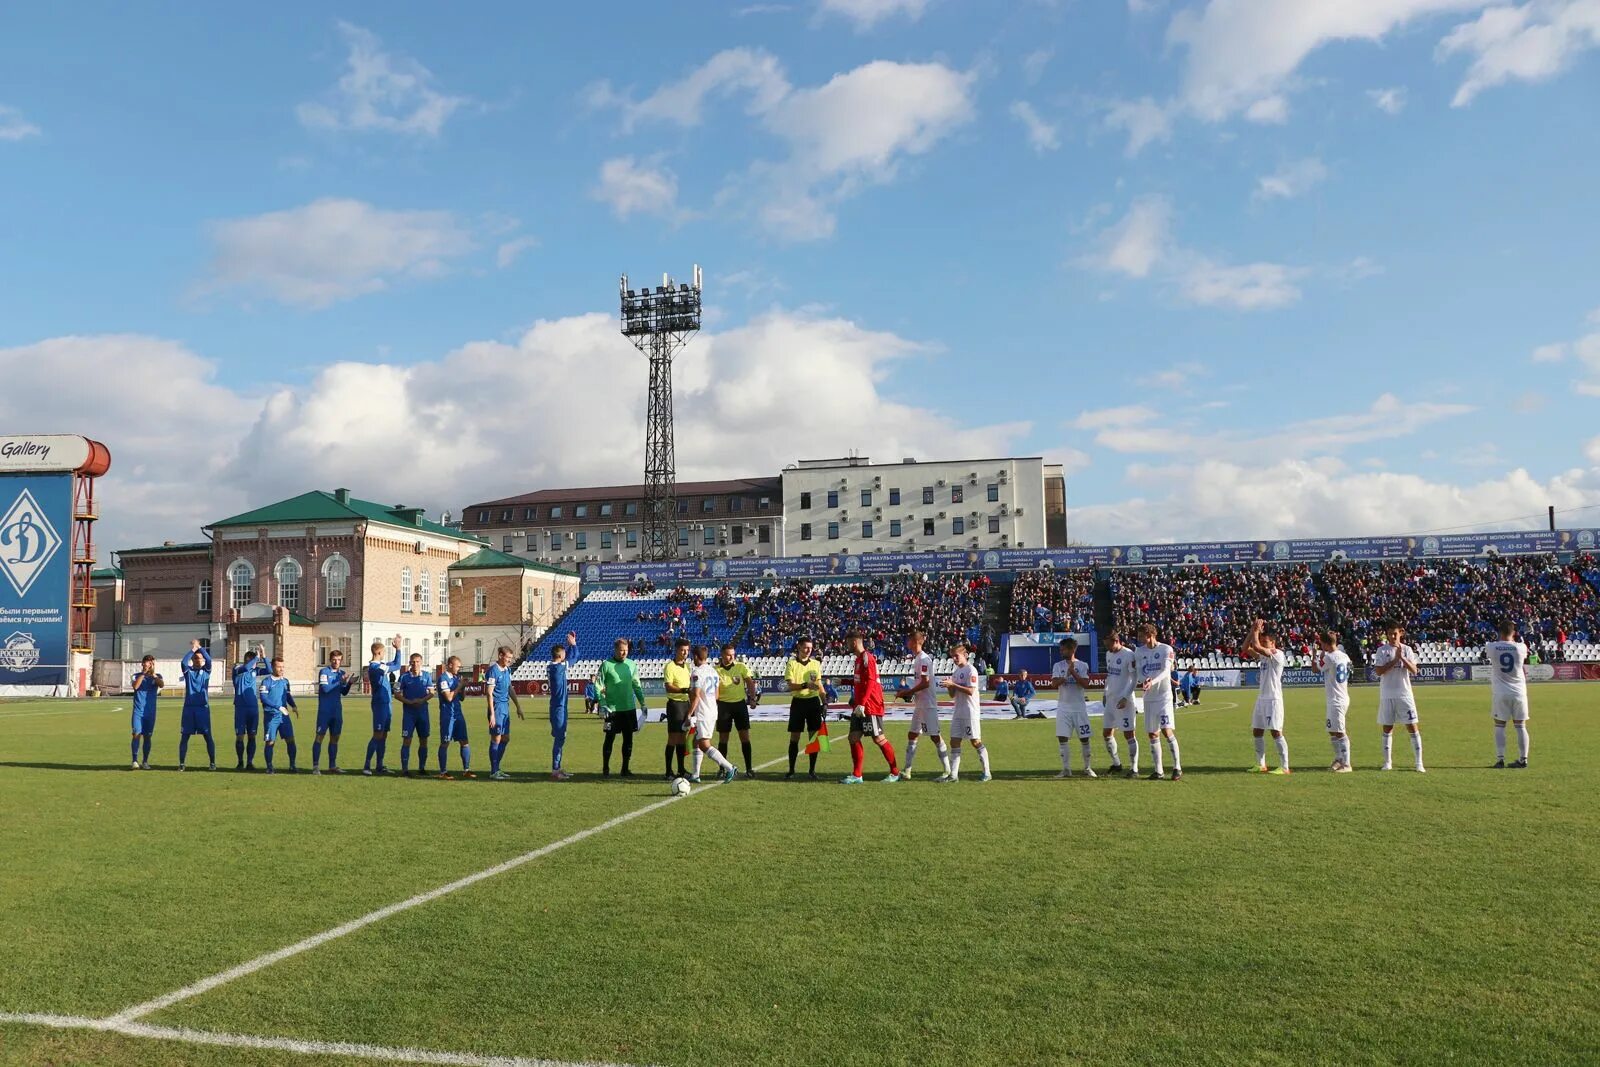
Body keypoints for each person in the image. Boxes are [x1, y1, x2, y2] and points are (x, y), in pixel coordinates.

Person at [842, 628, 901, 784]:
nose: (846, 645)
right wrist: (845, 682)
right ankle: (857, 775)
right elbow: (860, 681)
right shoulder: (858, 660)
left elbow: (871, 682)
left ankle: (895, 772)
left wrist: (862, 703)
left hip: (870, 706)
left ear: (854, 642)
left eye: (848, 642)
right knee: (853, 738)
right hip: (859, 706)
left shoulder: (868, 658)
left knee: (878, 738)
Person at [896, 630, 951, 782]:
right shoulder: (918, 659)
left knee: (935, 736)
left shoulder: (924, 659)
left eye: (909, 640)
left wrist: (909, 691)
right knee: (912, 734)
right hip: (920, 703)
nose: (907, 643)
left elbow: (926, 683)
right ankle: (907, 770)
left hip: (928, 704)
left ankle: (948, 770)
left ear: (915, 642)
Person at [1372, 621, 1424, 773]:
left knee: (1412, 726)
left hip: (1404, 694)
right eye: (1390, 634)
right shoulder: (1382, 651)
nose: (1393, 636)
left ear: (1401, 633)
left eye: (1395, 633)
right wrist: (1394, 660)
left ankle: (1419, 763)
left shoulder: (1407, 650)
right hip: (1387, 695)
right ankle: (1388, 762)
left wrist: (1402, 658)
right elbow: (1379, 671)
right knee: (1387, 728)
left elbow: (1414, 670)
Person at [1242, 619, 1291, 775]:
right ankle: (1261, 764)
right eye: (1262, 641)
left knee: (1276, 732)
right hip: (1262, 699)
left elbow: (1256, 646)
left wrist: (1256, 631)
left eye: (1266, 642)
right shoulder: (1264, 656)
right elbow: (1245, 648)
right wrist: (1252, 630)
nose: (1263, 644)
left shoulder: (1277, 654)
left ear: (1273, 643)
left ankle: (1284, 767)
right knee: (1257, 731)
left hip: (1273, 699)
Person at [1135, 623, 1182, 781]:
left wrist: (1152, 681)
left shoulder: (1166, 649)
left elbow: (1165, 672)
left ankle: (1177, 767)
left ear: (1150, 635)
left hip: (1163, 697)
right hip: (1149, 697)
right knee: (1152, 733)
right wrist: (1144, 680)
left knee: (1166, 731)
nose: (1139, 638)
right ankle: (1159, 770)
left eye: (1141, 635)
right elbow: (1140, 672)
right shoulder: (1139, 651)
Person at [595, 638, 646, 777]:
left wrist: (642, 703)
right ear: (615, 650)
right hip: (612, 710)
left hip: (629, 709)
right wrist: (603, 704)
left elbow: (636, 685)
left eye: (626, 650)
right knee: (609, 739)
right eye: (621, 650)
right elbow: (598, 686)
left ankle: (625, 769)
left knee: (628, 739)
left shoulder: (632, 664)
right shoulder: (606, 665)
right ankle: (605, 768)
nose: (624, 653)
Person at [686, 644, 737, 783]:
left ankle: (729, 767)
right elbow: (716, 695)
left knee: (704, 744)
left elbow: (696, 696)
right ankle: (695, 775)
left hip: (703, 712)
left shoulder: (697, 673)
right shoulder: (713, 671)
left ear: (695, 656)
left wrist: (689, 714)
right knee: (696, 742)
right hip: (712, 710)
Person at [1486, 620, 1531, 769]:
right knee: (1520, 726)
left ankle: (1500, 759)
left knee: (1499, 725)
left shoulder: (1491, 647)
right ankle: (1523, 759)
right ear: (1514, 632)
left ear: (1499, 632)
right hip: (1519, 692)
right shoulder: (1521, 647)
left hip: (1500, 692)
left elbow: (1491, 651)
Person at [944, 642, 991, 783]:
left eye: (956, 656)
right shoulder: (956, 672)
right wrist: (948, 685)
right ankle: (953, 775)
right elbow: (952, 695)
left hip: (970, 711)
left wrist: (954, 685)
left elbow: (971, 691)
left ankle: (987, 772)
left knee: (975, 741)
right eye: (952, 657)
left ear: (965, 655)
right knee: (954, 741)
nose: (954, 659)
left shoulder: (971, 670)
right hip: (958, 711)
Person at [785, 636, 830, 779]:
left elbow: (819, 684)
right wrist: (805, 685)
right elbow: (790, 686)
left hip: (813, 703)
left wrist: (825, 702)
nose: (809, 650)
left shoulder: (816, 664)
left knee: (813, 738)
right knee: (795, 738)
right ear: (798, 647)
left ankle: (812, 771)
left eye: (810, 648)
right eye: (806, 647)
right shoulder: (791, 664)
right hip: (798, 702)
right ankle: (791, 770)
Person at [1050, 637, 1095, 778]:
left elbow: (1086, 684)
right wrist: (1066, 675)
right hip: (1063, 707)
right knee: (1062, 738)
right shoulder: (1058, 665)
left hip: (1079, 708)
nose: (1061, 652)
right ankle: (1066, 769)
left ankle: (1087, 768)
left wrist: (1074, 673)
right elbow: (1054, 684)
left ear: (1072, 650)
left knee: (1084, 738)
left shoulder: (1082, 665)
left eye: (1063, 649)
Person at [714, 643, 759, 777]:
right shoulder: (715, 670)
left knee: (744, 737)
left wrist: (752, 698)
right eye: (728, 654)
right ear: (722, 655)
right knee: (723, 739)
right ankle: (722, 769)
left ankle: (749, 768)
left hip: (739, 705)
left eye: (733, 654)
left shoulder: (741, 666)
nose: (731, 657)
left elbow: (750, 682)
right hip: (723, 706)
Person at [1100, 630, 1140, 777]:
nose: (1107, 648)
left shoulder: (1129, 655)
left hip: (1125, 701)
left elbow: (1134, 679)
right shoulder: (1109, 654)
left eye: (1109, 645)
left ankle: (1134, 769)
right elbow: (1110, 675)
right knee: (1106, 733)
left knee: (1129, 734)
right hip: (1110, 700)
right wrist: (1105, 693)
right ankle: (1117, 764)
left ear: (1116, 641)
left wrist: (1125, 697)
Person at [363, 636, 404, 776]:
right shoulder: (375, 667)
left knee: (384, 735)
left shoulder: (380, 665)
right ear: (379, 652)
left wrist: (397, 651)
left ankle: (379, 765)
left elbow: (392, 663)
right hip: (380, 704)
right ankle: (367, 765)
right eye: (384, 652)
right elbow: (397, 666)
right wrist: (398, 649)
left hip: (386, 703)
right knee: (377, 734)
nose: (385, 654)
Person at [484, 644, 525, 781]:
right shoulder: (492, 671)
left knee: (505, 738)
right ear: (500, 656)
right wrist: (492, 714)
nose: (509, 660)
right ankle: (493, 770)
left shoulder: (507, 670)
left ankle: (497, 768)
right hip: (496, 708)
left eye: (511, 658)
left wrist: (518, 706)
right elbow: (489, 694)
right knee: (496, 738)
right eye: (508, 657)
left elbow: (509, 688)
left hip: (505, 708)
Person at [1314, 631, 1353, 772]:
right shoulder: (1344, 655)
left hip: (1337, 699)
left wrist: (1315, 655)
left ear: (1324, 643)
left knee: (1340, 732)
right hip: (1339, 697)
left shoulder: (1330, 657)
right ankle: (1339, 758)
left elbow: (1315, 669)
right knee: (1332, 730)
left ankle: (1347, 764)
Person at [312, 650, 355, 775]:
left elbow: (344, 692)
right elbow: (325, 689)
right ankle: (315, 766)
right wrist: (339, 681)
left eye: (339, 660)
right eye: (334, 660)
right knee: (319, 737)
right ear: (330, 660)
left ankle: (332, 765)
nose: (337, 662)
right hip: (325, 712)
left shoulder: (341, 673)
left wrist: (349, 683)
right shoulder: (324, 672)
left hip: (337, 711)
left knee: (335, 738)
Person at [177, 640, 216, 771]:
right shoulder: (188, 672)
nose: (199, 660)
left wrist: (200, 648)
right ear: (192, 659)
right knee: (185, 737)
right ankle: (182, 764)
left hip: (202, 709)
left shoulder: (206, 671)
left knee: (207, 736)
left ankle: (212, 763)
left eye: (200, 658)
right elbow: (183, 662)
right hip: (189, 709)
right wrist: (193, 650)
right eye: (196, 658)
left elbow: (209, 660)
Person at [259, 657, 299, 774]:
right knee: (270, 741)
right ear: (272, 667)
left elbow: (288, 696)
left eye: (283, 667)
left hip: (284, 716)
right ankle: (269, 766)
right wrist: (278, 707)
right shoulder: (266, 682)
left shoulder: (285, 681)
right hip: (271, 716)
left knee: (290, 740)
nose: (281, 669)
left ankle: (292, 765)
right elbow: (263, 698)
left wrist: (293, 705)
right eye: (278, 666)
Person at [435, 656, 472, 779]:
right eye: (457, 666)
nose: (459, 669)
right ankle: (443, 772)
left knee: (464, 742)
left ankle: (466, 770)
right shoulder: (443, 679)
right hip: (447, 715)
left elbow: (461, 698)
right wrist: (460, 685)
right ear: (450, 665)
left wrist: (463, 687)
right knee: (445, 742)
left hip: (458, 714)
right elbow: (449, 697)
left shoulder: (456, 678)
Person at [231, 644, 268, 770]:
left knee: (252, 736)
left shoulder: (255, 670)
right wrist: (256, 657)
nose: (254, 665)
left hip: (253, 708)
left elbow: (269, 670)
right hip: (240, 708)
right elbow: (246, 667)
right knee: (240, 736)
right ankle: (240, 761)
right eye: (253, 662)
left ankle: (249, 762)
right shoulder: (237, 669)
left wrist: (264, 656)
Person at [548, 632, 579, 781]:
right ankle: (555, 770)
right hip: (558, 708)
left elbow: (569, 656)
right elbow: (575, 657)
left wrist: (569, 645)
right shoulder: (558, 668)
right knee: (559, 738)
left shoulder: (555, 665)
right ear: (560, 656)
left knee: (561, 737)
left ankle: (558, 767)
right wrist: (573, 644)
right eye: (564, 653)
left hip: (560, 706)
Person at [661, 637, 691, 781]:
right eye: (682, 650)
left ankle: (681, 769)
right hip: (675, 704)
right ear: (676, 650)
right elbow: (668, 686)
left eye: (687, 650)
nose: (685, 653)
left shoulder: (687, 666)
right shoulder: (670, 666)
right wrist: (684, 690)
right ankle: (668, 771)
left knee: (682, 739)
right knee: (673, 737)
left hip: (686, 705)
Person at [129, 654, 163, 770]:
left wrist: (153, 674)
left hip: (150, 713)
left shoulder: (156, 676)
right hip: (138, 712)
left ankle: (145, 761)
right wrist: (143, 673)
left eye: (150, 662)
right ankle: (134, 760)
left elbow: (161, 684)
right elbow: (136, 686)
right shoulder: (136, 676)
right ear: (142, 663)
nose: (147, 664)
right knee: (136, 735)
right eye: (146, 662)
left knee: (148, 737)